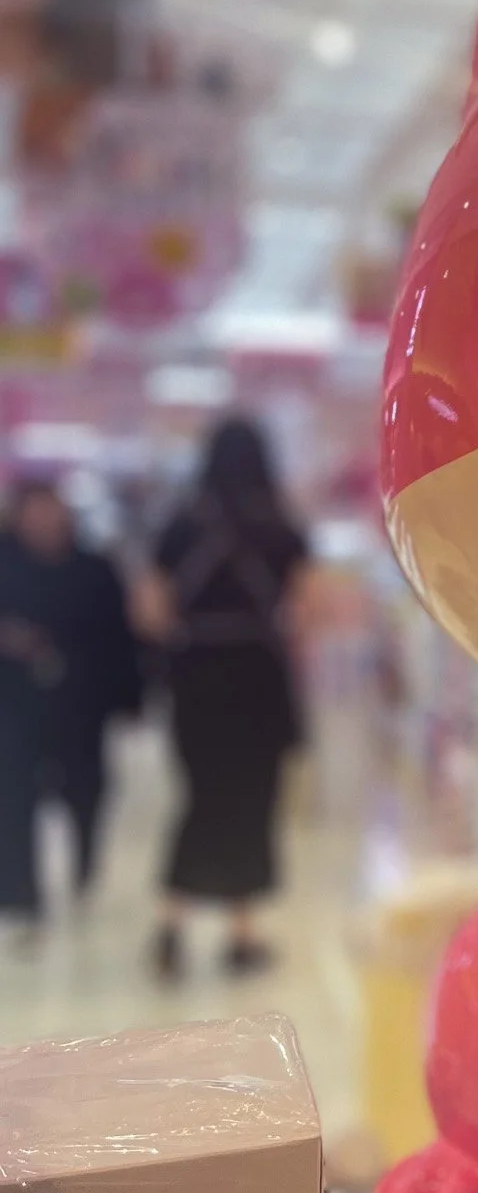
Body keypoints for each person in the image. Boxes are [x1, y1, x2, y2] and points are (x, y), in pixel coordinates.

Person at [141, 418, 312, 979]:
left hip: (197, 676)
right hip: (258, 675)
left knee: (201, 798)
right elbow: (305, 613)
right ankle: (241, 937)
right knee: (252, 802)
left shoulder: (178, 526)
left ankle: (170, 929)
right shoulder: (282, 530)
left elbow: (150, 612)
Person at [0, 479, 142, 931]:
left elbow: (121, 638)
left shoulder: (94, 569)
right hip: (14, 703)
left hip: (82, 703)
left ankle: (83, 873)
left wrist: (130, 697)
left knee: (86, 794)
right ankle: (21, 896)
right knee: (13, 799)